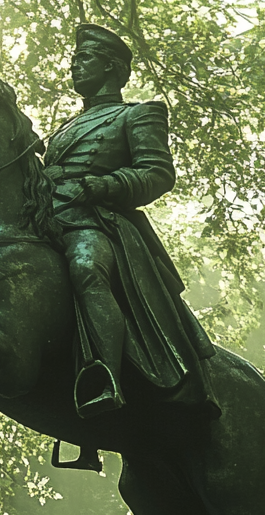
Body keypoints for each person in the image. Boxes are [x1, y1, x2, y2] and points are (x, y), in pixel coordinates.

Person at [44, 23, 219, 424]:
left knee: (87, 268)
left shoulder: (139, 114)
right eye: (73, 59)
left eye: (82, 59)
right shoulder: (63, 129)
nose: (73, 66)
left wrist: (103, 184)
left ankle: (103, 376)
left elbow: (157, 174)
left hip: (97, 221)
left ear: (110, 66)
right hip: (49, 218)